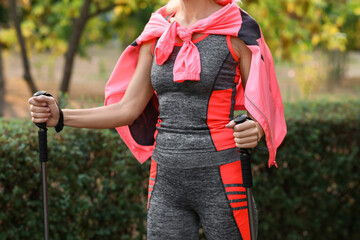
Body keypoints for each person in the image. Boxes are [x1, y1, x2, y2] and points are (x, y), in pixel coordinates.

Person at [28, 0, 286, 239]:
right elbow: (127, 109)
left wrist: (255, 130)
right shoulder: (159, 30)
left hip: (224, 180)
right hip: (165, 180)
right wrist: (60, 116)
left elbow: (262, 109)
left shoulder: (237, 29)